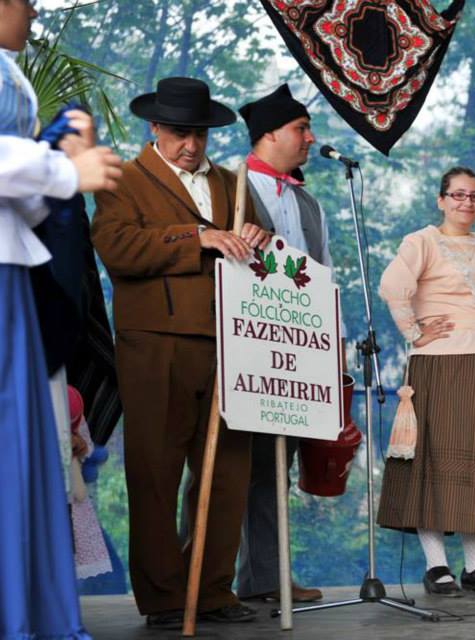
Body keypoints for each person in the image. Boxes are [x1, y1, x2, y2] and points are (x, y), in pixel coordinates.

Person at [91, 76, 270, 628]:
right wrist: (197, 237)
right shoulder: (123, 179)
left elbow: (255, 236)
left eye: (197, 134)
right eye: (177, 133)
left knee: (227, 472)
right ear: (155, 129)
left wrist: (258, 237)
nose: (189, 145)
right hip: (156, 347)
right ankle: (165, 599)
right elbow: (117, 247)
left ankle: (211, 591)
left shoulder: (233, 181)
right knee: (155, 472)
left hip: (229, 345)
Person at [0, 0, 122, 636]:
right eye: (25, 2)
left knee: (21, 445)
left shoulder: (7, 70)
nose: (31, 15)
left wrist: (60, 166)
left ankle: (24, 610)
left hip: (12, 273)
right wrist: (58, 167)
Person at [376, 166, 475, 597]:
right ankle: (436, 566)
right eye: (458, 195)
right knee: (436, 460)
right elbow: (392, 286)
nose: (467, 203)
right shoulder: (422, 241)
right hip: (437, 362)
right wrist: (413, 332)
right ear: (441, 199)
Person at [235, 83, 328, 604]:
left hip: (295, 351)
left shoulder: (308, 201)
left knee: (277, 466)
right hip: (242, 347)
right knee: (225, 468)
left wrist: (328, 352)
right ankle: (190, 584)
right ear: (268, 134)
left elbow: (323, 276)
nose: (310, 139)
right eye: (301, 128)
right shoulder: (230, 186)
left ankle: (265, 579)